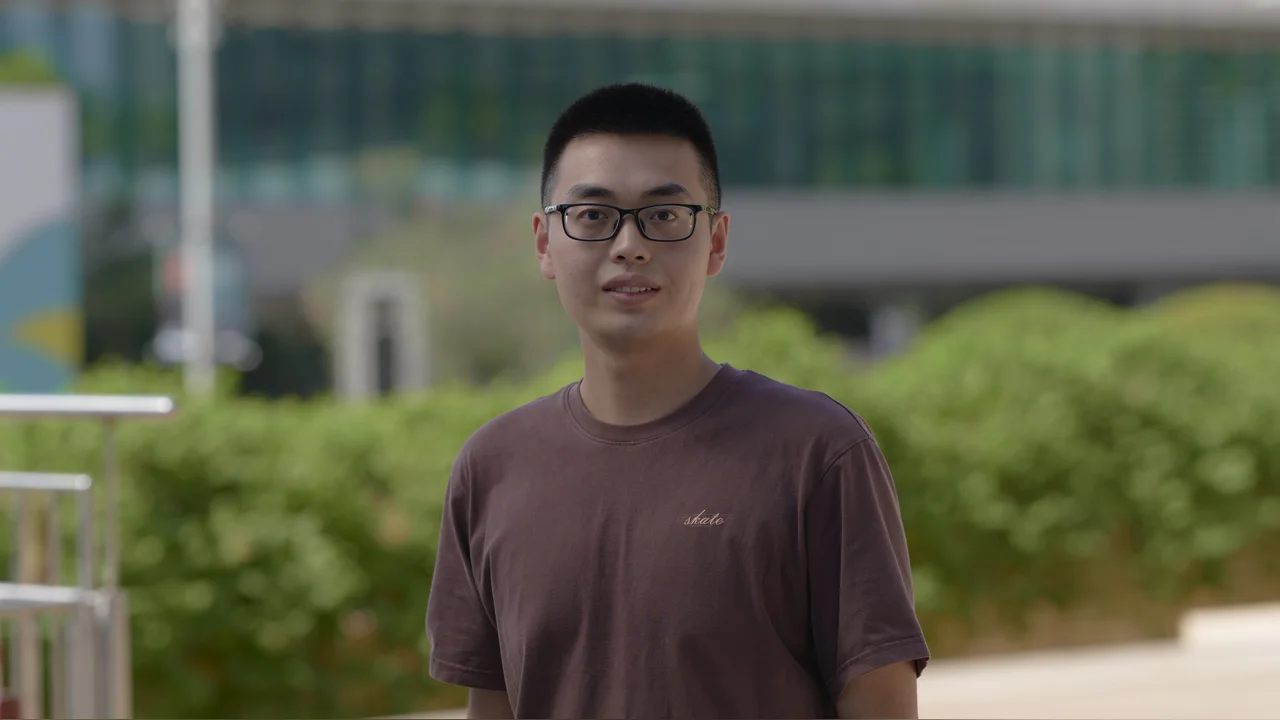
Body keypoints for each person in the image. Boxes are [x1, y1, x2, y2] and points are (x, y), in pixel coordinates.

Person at [426, 83, 929, 720]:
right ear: (544, 242)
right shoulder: (492, 468)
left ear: (715, 241)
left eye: (664, 215)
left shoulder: (817, 452)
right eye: (592, 215)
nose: (628, 245)